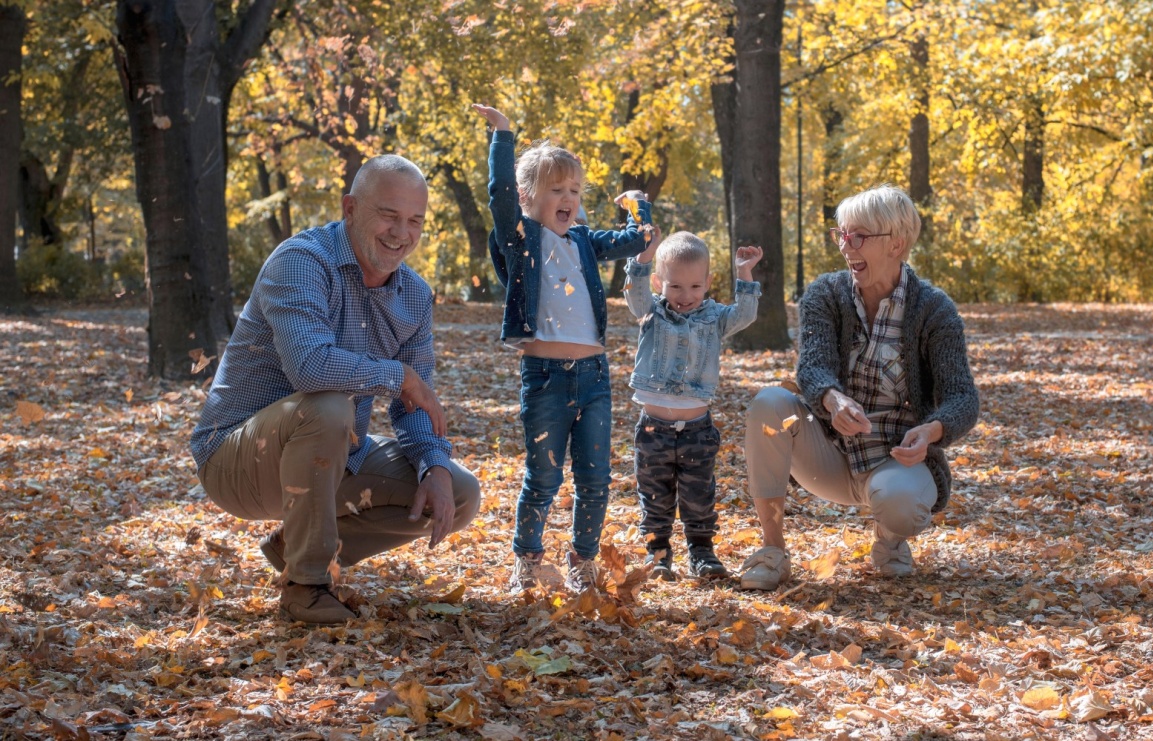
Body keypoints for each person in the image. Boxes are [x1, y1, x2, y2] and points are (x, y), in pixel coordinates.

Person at [190, 155, 481, 625]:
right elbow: (310, 368)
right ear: (350, 208)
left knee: (459, 491)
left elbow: (414, 404)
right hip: (236, 459)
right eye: (388, 215)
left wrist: (433, 463)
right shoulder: (301, 261)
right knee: (328, 407)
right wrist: (400, 375)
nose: (401, 233)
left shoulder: (414, 295)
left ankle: (294, 546)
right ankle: (305, 587)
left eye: (414, 221)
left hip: (332, 454)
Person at [740, 185, 978, 590]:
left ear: (896, 243)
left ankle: (890, 540)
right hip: (829, 454)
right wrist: (832, 400)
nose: (846, 246)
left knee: (901, 506)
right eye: (842, 235)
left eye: (859, 236)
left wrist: (931, 431)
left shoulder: (934, 310)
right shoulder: (826, 294)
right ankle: (772, 551)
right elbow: (813, 367)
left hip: (896, 460)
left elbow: (962, 398)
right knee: (769, 404)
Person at [471, 103, 653, 594]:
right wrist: (503, 134)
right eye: (556, 189)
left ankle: (583, 560)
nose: (568, 198)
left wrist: (639, 205)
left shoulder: (585, 242)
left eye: (574, 190)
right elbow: (499, 195)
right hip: (545, 379)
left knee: (595, 479)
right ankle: (527, 561)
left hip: (594, 378)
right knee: (544, 479)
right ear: (529, 197)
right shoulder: (521, 238)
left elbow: (636, 240)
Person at [623, 230, 762, 580]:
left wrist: (744, 274)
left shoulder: (715, 318)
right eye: (675, 287)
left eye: (695, 287)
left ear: (708, 283)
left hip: (697, 429)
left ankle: (702, 552)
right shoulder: (652, 312)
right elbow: (635, 292)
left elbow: (745, 315)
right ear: (659, 283)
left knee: (698, 495)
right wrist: (644, 256)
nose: (686, 296)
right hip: (653, 429)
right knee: (654, 496)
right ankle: (657, 554)